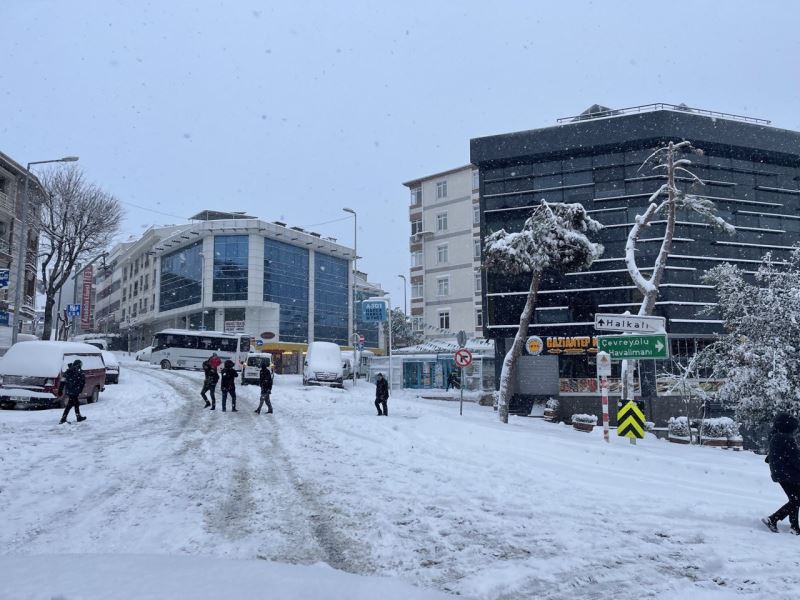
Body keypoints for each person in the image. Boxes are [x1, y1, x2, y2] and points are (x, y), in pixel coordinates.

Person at [762, 412, 800, 534]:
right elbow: (796, 459)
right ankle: (773, 519)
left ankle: (794, 527)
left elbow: (770, 457)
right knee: (796, 500)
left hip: (781, 474)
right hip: (789, 474)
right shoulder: (787, 438)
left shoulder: (775, 436)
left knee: (795, 499)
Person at [58, 360, 87, 424]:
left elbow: (62, 380)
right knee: (71, 404)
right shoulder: (80, 372)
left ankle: (77, 417)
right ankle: (64, 419)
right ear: (79, 364)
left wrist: (60, 390)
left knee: (74, 403)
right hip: (75, 391)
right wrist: (80, 390)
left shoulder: (68, 371)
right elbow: (82, 382)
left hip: (69, 390)